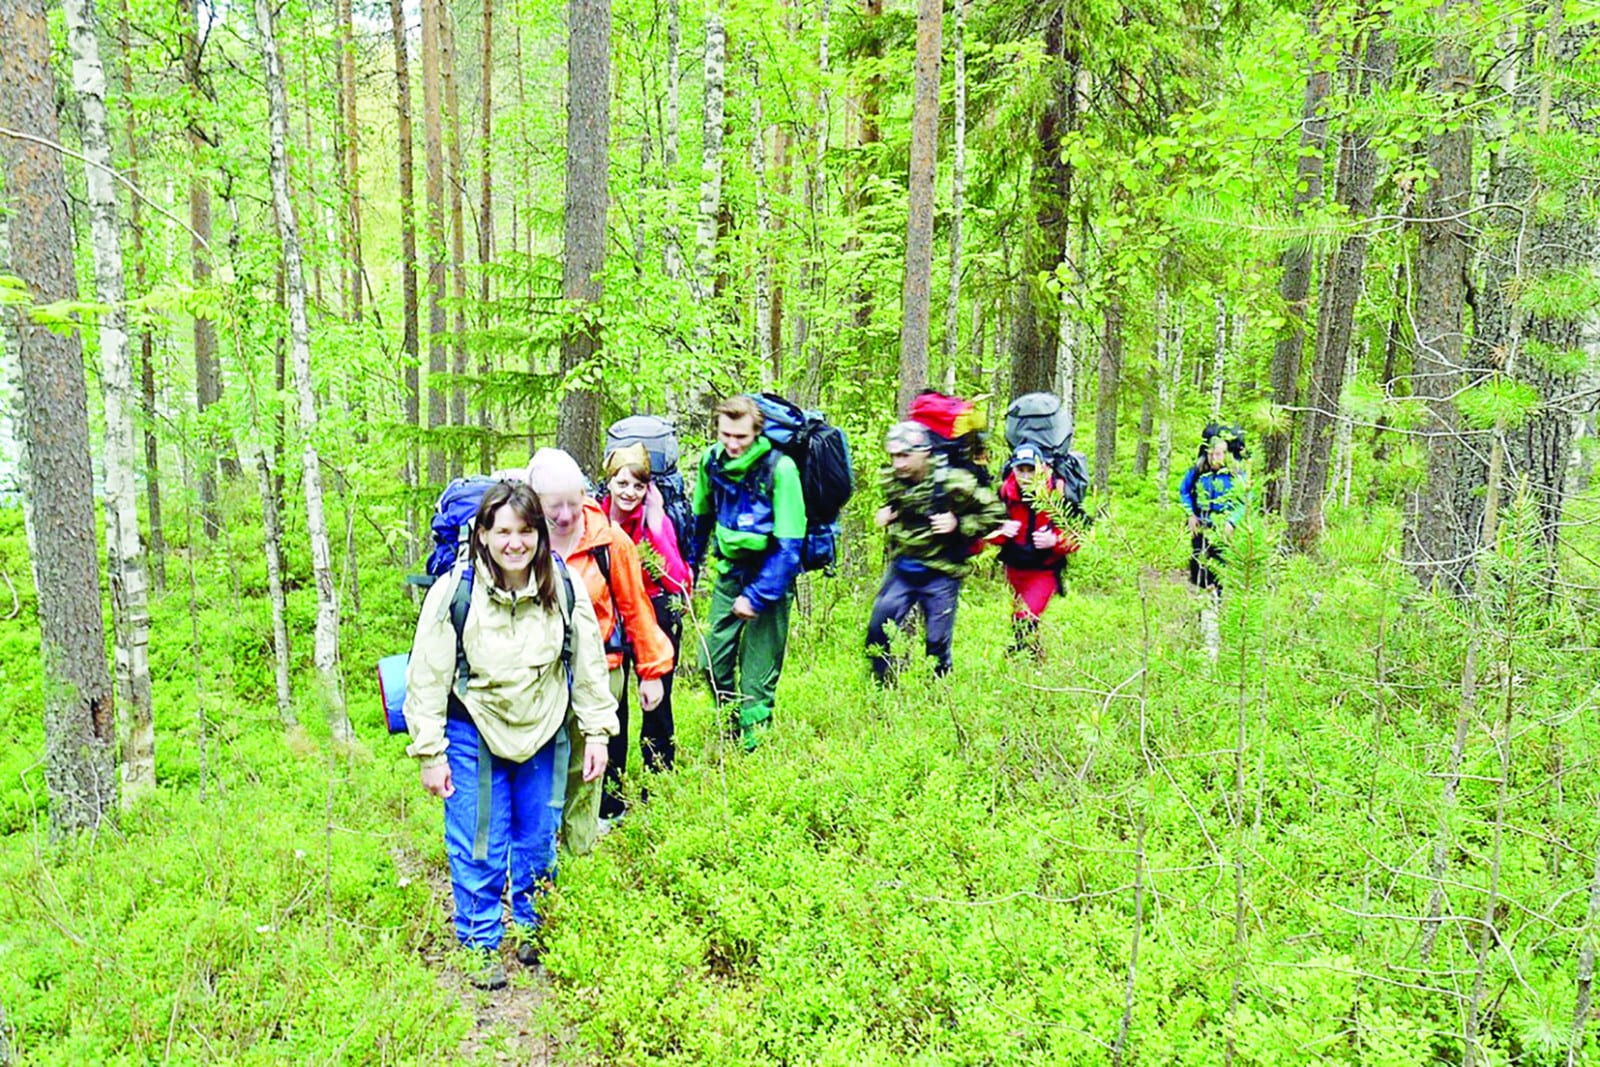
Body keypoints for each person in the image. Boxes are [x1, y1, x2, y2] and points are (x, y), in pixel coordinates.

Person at [403, 480, 617, 990]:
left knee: (539, 839)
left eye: (525, 531)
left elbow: (588, 665)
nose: (514, 543)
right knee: (478, 841)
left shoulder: (562, 588)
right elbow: (427, 675)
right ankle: (479, 943)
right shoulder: (454, 592)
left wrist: (598, 734)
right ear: (482, 535)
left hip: (544, 729)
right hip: (472, 730)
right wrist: (430, 753)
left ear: (540, 535)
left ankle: (533, 928)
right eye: (502, 532)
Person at [527, 448, 674, 852]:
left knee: (588, 764)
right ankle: (539, 853)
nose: (565, 515)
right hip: (538, 672)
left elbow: (636, 608)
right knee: (539, 763)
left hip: (601, 670)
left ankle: (580, 849)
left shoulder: (609, 541)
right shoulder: (523, 539)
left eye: (573, 503)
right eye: (553, 506)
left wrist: (651, 671)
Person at [689, 395, 805, 750]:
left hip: (769, 582)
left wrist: (756, 596)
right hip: (728, 576)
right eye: (726, 435)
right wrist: (689, 568)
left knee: (757, 677)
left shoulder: (780, 469)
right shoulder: (711, 462)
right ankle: (730, 725)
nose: (733, 444)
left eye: (741, 436)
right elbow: (701, 518)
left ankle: (754, 750)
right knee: (709, 660)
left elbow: (789, 546)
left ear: (758, 431)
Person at [868, 421, 1006, 683]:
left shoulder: (955, 481)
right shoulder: (891, 479)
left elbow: (995, 513)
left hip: (941, 572)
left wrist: (959, 525)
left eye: (905, 455)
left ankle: (938, 697)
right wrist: (890, 512)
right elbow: (903, 504)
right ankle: (881, 691)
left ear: (925, 453)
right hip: (903, 568)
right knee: (878, 628)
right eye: (894, 456)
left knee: (936, 644)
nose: (898, 463)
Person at [596, 443, 691, 815]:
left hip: (656, 618)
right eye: (622, 482)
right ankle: (610, 798)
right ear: (610, 482)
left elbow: (677, 579)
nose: (629, 492)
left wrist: (655, 525)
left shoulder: (657, 521)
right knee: (612, 709)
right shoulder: (596, 521)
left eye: (638, 485)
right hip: (612, 621)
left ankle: (658, 788)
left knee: (657, 706)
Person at [991, 443, 1078, 654]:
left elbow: (1077, 538)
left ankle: (1022, 657)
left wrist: (1054, 541)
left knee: (1026, 616)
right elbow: (987, 534)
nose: (1026, 476)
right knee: (1020, 616)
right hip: (1015, 568)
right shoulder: (1005, 494)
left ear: (1043, 468)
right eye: (1021, 470)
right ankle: (1034, 656)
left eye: (1032, 470)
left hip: (1045, 570)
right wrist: (1002, 530)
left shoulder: (1057, 493)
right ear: (1013, 469)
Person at [1178, 435, 1248, 594]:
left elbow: (1244, 501)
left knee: (1220, 565)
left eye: (1218, 454)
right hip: (1201, 525)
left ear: (1226, 454)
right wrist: (1190, 514)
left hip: (1223, 527)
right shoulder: (1198, 470)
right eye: (1210, 454)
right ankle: (1204, 599)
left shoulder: (1236, 474)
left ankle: (1218, 599)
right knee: (1198, 563)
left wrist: (1232, 521)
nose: (1213, 458)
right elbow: (1185, 491)